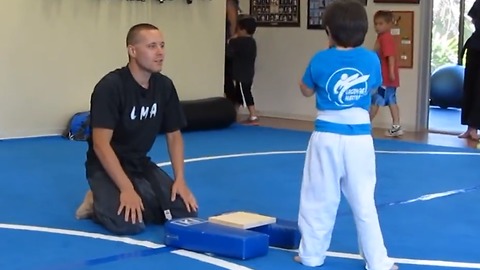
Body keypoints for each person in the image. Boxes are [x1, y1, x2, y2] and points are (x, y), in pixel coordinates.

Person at [294, 1, 398, 269]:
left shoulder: (320, 59)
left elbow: (305, 90)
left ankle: (311, 255)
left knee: (318, 198)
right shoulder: (370, 59)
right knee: (364, 201)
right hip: (360, 140)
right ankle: (379, 262)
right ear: (364, 30)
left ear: (328, 30)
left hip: (326, 137)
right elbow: (373, 87)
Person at [75, 23, 198, 235]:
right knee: (128, 224)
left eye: (162, 45)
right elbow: (101, 144)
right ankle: (95, 202)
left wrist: (180, 180)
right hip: (104, 166)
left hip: (139, 163)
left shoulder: (164, 86)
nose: (160, 52)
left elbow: (174, 136)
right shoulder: (110, 87)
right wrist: (126, 189)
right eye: (151, 46)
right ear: (133, 51)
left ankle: (127, 195)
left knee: (183, 213)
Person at [369, 10, 403, 137]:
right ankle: (396, 125)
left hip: (385, 78)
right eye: (376, 24)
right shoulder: (382, 38)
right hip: (385, 77)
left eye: (381, 24)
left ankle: (366, 124)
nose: (377, 27)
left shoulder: (385, 38)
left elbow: (390, 57)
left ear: (389, 24)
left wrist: (391, 73)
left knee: (376, 100)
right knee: (391, 100)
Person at [226, 15, 259, 124]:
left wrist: (230, 40)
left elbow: (229, 53)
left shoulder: (238, 42)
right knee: (238, 95)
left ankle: (253, 115)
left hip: (240, 74)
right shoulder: (252, 42)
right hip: (249, 72)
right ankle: (233, 114)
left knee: (244, 93)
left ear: (242, 29)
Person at [459, 0, 480, 141]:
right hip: (475, 48)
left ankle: (473, 127)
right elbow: (473, 18)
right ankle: (471, 128)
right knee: (470, 87)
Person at [224, 0, 240, 105]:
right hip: (227, 45)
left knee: (227, 77)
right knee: (227, 77)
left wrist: (231, 39)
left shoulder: (230, 4)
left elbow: (233, 24)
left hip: (227, 46)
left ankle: (233, 103)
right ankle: (233, 103)